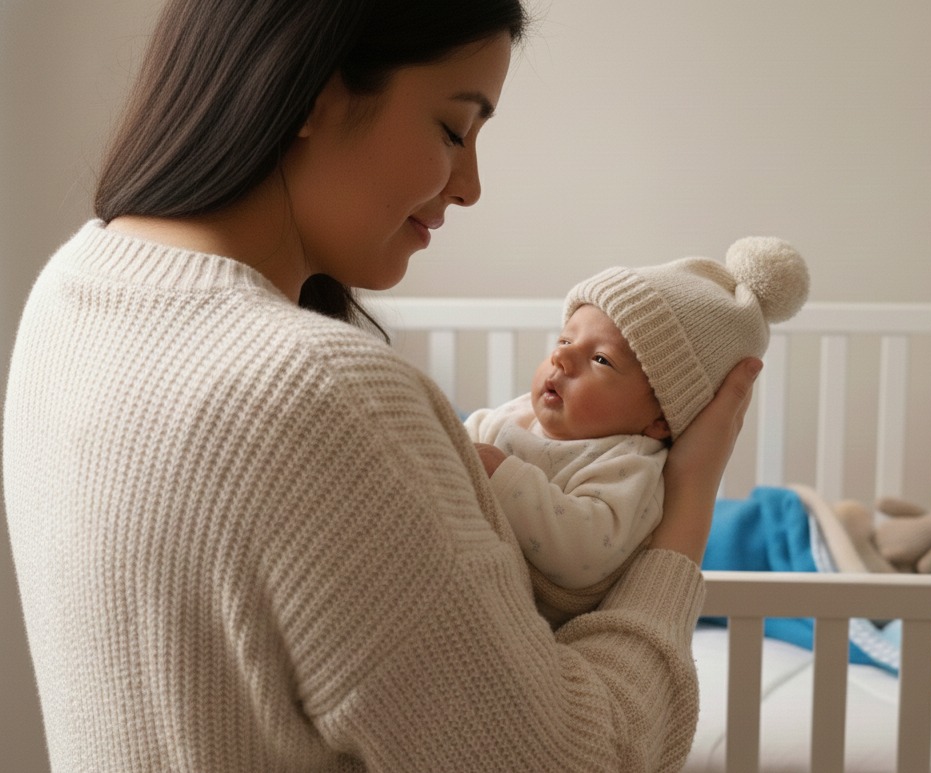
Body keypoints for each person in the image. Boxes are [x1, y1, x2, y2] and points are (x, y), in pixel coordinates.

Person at [1, 1, 763, 771]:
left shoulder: (69, 291)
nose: (469, 186)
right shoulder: (323, 399)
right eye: (452, 130)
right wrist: (685, 513)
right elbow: (579, 757)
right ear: (313, 94)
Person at [466, 237, 809, 626]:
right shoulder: (515, 414)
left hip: (532, 620)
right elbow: (455, 445)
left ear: (660, 418)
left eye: (600, 359)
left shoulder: (628, 463)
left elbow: (588, 552)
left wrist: (502, 473)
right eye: (565, 339)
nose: (561, 356)